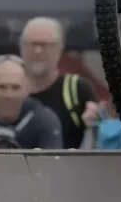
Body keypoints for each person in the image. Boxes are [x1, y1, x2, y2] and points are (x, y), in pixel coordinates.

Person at [19, 16, 98, 149]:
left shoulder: (77, 90)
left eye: (45, 45)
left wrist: (93, 124)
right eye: (32, 44)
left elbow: (98, 146)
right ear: (21, 47)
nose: (38, 51)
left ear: (59, 49)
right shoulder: (6, 88)